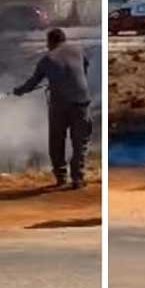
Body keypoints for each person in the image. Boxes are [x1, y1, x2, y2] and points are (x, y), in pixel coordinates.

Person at [13, 28, 92, 189]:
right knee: (80, 143)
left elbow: (32, 83)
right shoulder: (78, 50)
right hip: (81, 103)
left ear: (51, 42)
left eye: (47, 42)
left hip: (60, 106)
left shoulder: (47, 60)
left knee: (57, 141)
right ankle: (78, 178)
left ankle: (61, 176)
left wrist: (19, 91)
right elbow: (83, 70)